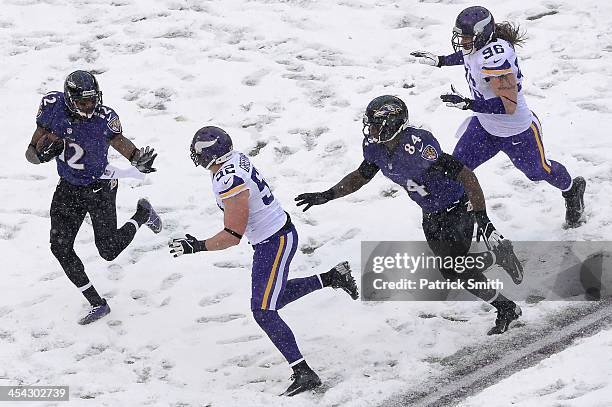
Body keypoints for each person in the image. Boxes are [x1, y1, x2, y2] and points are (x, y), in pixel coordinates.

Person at [295, 95, 522, 335]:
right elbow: (361, 176)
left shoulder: (418, 145)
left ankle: (506, 306)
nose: (370, 130)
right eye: (370, 124)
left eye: (376, 124)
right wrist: (328, 195)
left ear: (393, 123)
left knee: (456, 268)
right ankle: (500, 264)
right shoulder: (376, 148)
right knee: (453, 270)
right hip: (431, 213)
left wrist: (482, 217)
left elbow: (467, 176)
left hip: (457, 206)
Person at [168, 126, 359, 396]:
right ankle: (331, 277)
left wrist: (197, 246)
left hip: (275, 242)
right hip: (271, 237)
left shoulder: (228, 180)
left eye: (199, 151)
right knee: (272, 298)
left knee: (263, 310)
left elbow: (232, 235)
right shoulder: (234, 161)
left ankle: (303, 372)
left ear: (211, 154)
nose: (195, 155)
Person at [411, 5, 586, 228]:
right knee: (455, 171)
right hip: (484, 127)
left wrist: (468, 104)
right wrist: (441, 60)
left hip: (516, 131)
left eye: (467, 36)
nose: (463, 41)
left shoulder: (496, 58)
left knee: (538, 171)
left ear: (482, 35)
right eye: (461, 36)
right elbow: (468, 56)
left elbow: (509, 106)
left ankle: (572, 191)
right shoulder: (478, 46)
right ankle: (456, 225)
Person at [25, 70, 162, 325]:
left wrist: (136, 159)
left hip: (100, 187)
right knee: (60, 247)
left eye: (91, 100)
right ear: (69, 99)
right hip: (68, 187)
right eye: (82, 102)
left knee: (108, 251)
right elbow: (30, 152)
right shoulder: (53, 108)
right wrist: (41, 154)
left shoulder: (104, 118)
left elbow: (119, 141)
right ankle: (97, 302)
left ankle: (143, 213)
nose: (89, 106)